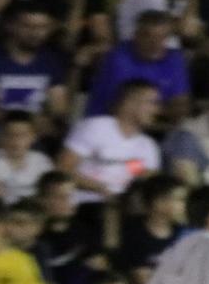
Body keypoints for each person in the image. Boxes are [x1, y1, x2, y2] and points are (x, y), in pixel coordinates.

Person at [62, 81, 163, 228]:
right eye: (152, 103)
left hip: (125, 212)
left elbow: (146, 182)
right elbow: (63, 169)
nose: (157, 110)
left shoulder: (148, 146)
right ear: (129, 103)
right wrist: (101, 189)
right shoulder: (95, 127)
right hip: (84, 206)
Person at [0, 5, 70, 146]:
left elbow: (60, 112)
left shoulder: (52, 61)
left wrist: (51, 125)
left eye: (42, 27)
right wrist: (24, 116)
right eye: (27, 26)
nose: (36, 33)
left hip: (36, 139)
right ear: (10, 26)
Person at [86, 11, 190, 120]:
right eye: (147, 36)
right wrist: (163, 109)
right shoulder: (119, 57)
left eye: (161, 37)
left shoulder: (174, 59)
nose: (155, 43)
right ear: (136, 35)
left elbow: (181, 106)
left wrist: (155, 109)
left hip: (153, 125)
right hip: (108, 123)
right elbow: (122, 108)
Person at [0, 111, 54, 205]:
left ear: (33, 137)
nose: (16, 140)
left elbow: (50, 195)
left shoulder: (42, 161)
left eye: (22, 135)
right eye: (10, 134)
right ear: (2, 136)